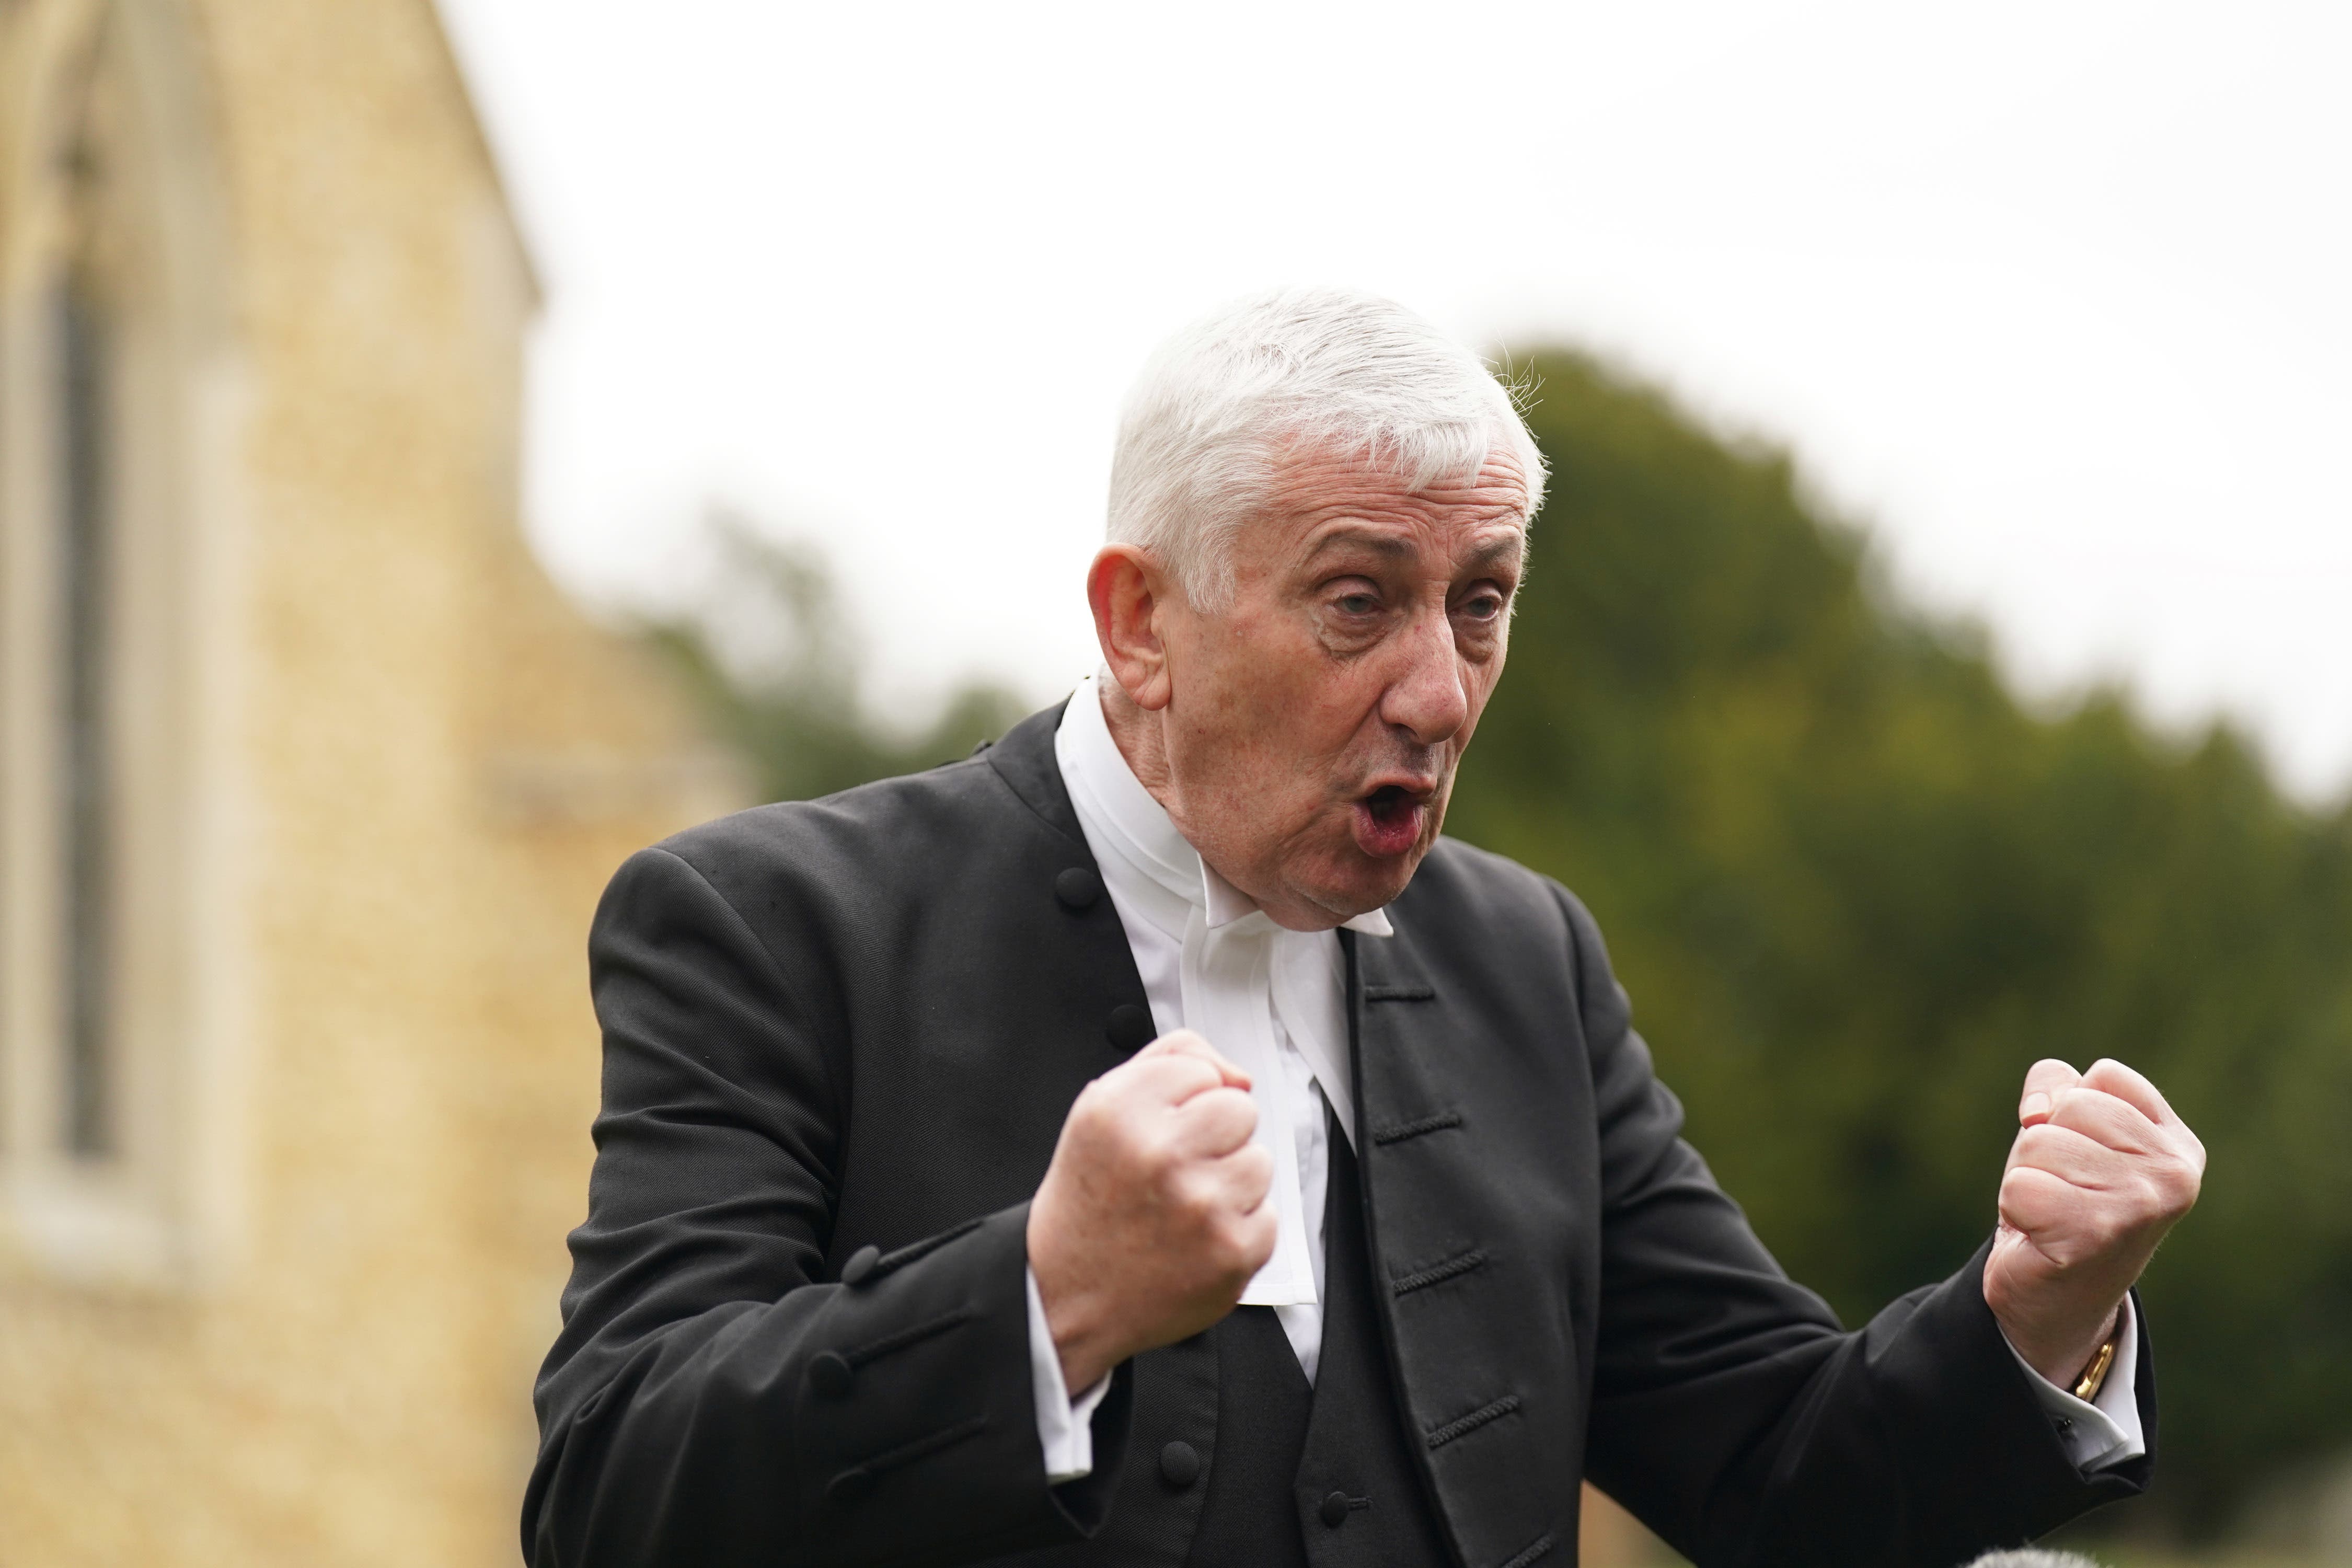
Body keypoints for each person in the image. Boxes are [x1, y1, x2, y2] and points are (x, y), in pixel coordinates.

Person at [523, 288, 2205, 1567]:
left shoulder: (1523, 962)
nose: (1435, 690)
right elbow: (609, 1490)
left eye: (1479, 604)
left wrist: (2039, 1310)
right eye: (1357, 600)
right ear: (1139, 622)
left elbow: (1783, 1475)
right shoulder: (773, 927)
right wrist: (1043, 1297)